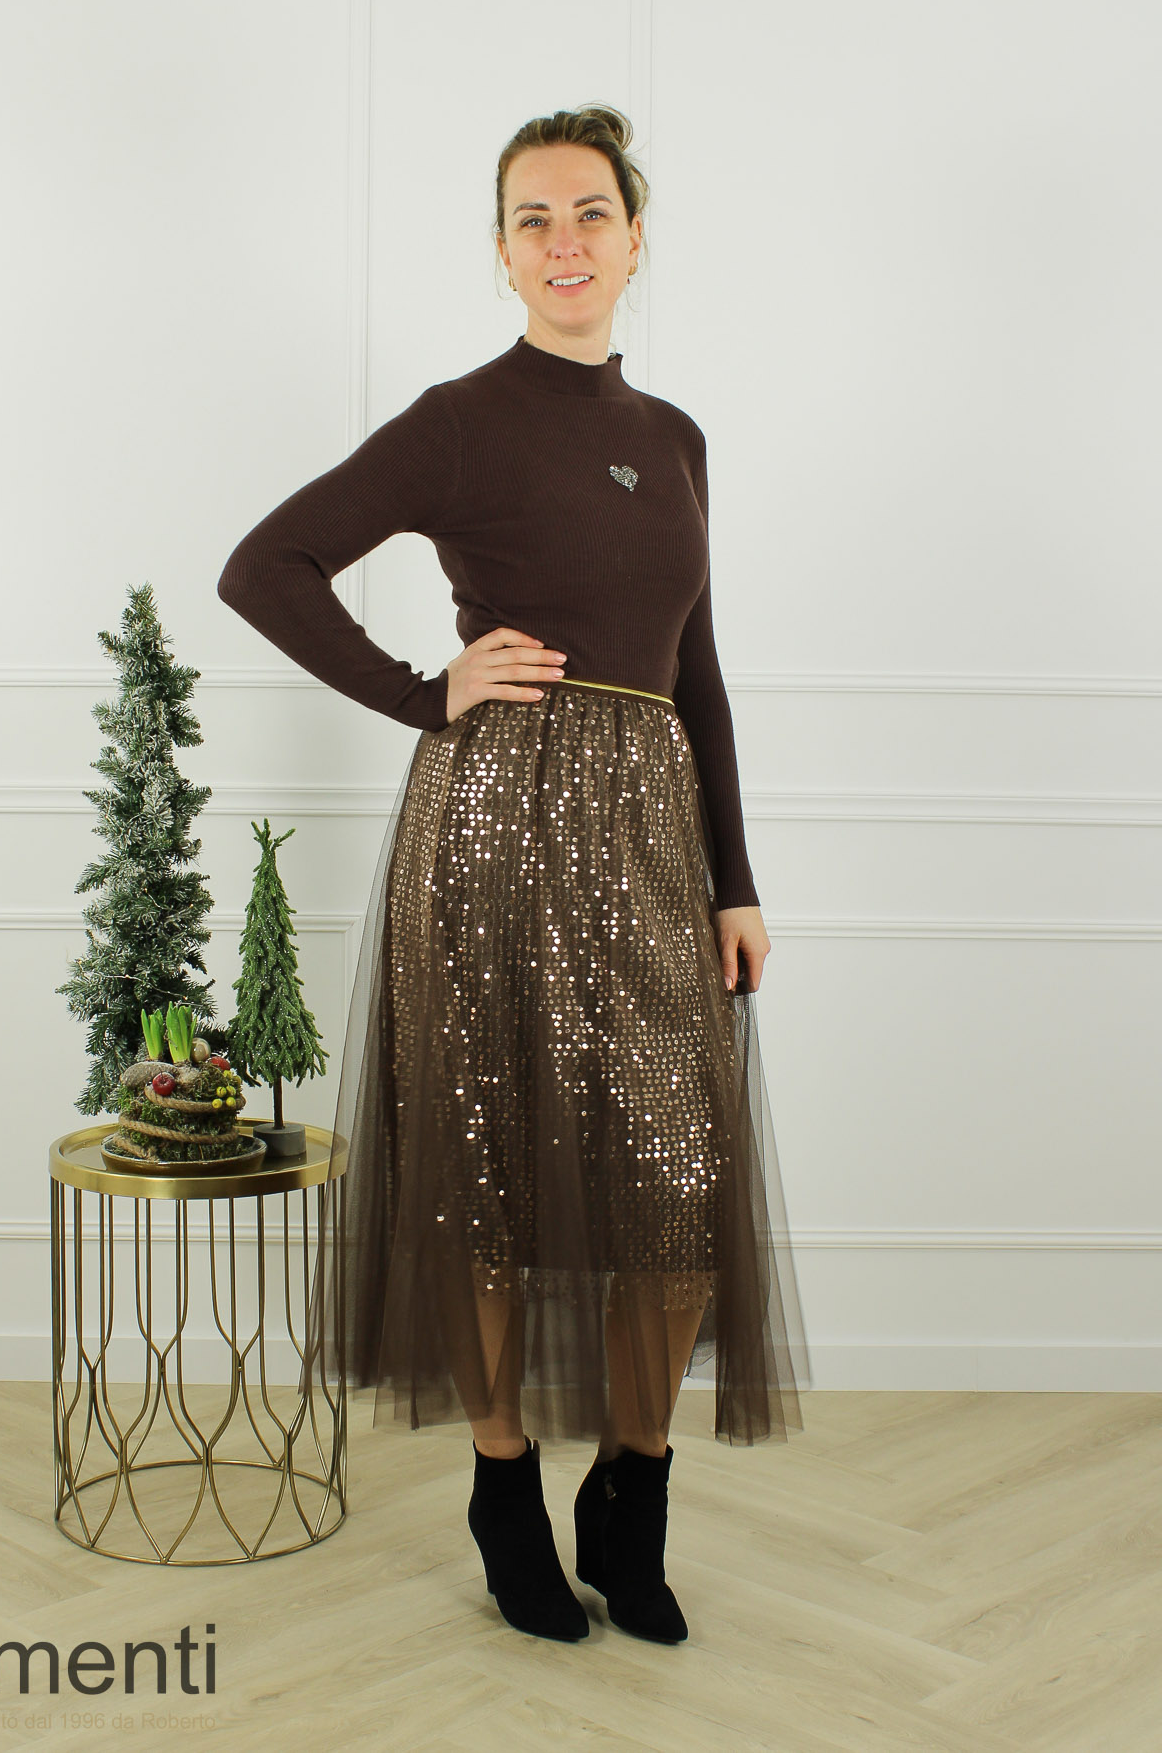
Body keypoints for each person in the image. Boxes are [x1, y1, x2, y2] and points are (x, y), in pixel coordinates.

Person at [217, 104, 809, 1646]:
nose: (565, 241)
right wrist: (428, 693)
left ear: (635, 239)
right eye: (534, 218)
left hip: (652, 833)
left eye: (590, 212)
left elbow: (695, 666)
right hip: (495, 828)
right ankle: (502, 1492)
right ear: (500, 250)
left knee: (672, 1176)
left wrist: (733, 879)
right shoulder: (460, 420)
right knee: (485, 1172)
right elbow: (264, 566)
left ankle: (631, 1490)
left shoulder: (674, 437)